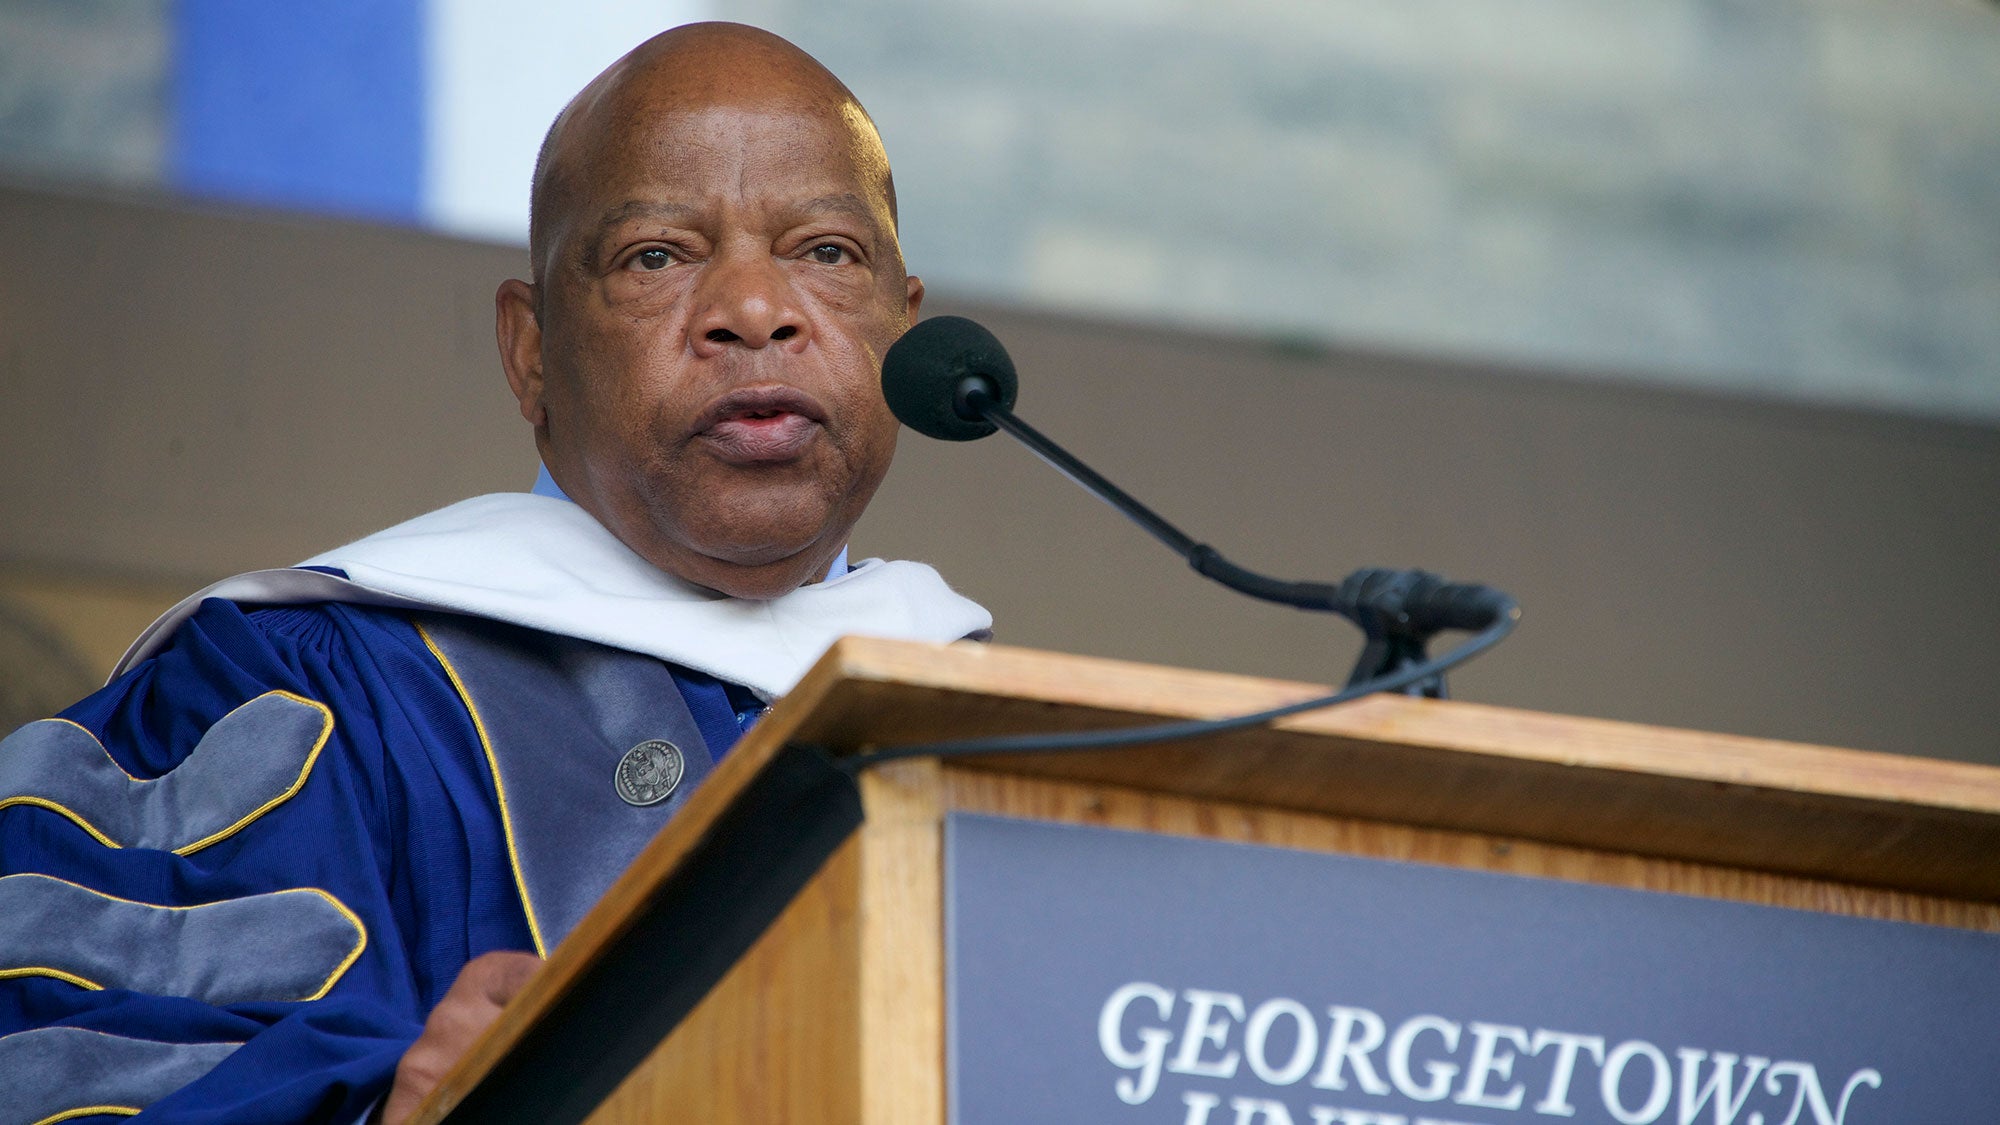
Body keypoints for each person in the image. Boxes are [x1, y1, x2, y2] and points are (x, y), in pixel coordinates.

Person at [0, 23, 988, 1123]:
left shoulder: (1014, 740)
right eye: (656, 255)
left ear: (903, 330)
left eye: (825, 253)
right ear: (529, 352)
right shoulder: (291, 687)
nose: (755, 311)